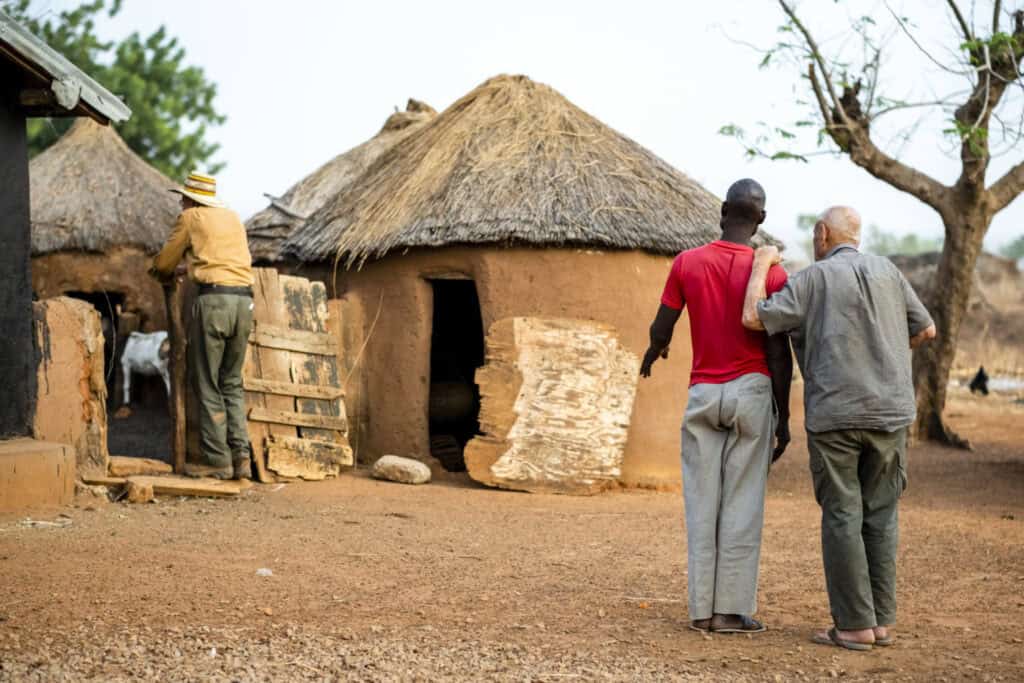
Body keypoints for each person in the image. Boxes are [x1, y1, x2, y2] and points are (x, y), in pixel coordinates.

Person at [741, 206, 936, 651]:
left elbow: (753, 317)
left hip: (836, 416)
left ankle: (852, 626)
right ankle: (880, 622)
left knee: (843, 516)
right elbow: (927, 330)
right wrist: (885, 351)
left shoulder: (810, 280)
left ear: (822, 235)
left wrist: (761, 264)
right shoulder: (888, 271)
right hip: (891, 414)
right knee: (882, 514)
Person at [641, 178, 793, 634]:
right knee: (742, 504)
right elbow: (779, 350)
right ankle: (730, 612)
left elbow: (662, 324)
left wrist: (653, 352)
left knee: (701, 504)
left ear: (723, 211)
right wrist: (783, 416)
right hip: (752, 391)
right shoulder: (771, 273)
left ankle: (701, 611)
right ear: (761, 220)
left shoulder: (687, 263)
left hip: (704, 393)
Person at [151, 171, 256, 481]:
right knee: (232, 382)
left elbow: (164, 262)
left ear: (191, 199)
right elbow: (221, 259)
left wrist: (163, 270)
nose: (182, 202)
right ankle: (242, 458)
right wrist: (193, 265)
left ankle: (217, 460)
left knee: (206, 380)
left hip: (214, 304)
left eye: (184, 197)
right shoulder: (233, 218)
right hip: (244, 302)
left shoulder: (191, 217)